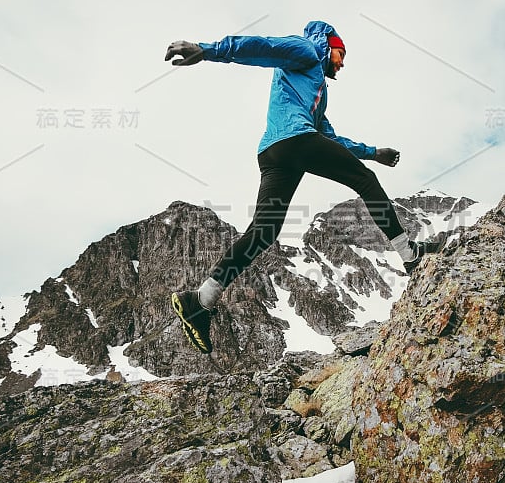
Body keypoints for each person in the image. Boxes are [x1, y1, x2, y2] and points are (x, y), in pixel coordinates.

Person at [165, 20, 443, 354]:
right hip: (295, 141)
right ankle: (410, 256)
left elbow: (328, 137)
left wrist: (372, 153)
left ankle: (200, 301)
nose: (342, 63)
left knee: (263, 232)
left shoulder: (315, 92)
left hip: (274, 154)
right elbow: (263, 47)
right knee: (364, 181)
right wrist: (209, 50)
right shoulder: (308, 50)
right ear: (330, 46)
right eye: (342, 53)